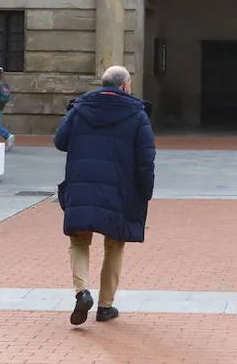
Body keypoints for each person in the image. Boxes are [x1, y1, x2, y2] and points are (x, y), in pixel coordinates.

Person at [54, 65, 155, 326]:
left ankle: (82, 291)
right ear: (124, 86)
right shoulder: (136, 113)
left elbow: (60, 141)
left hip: (81, 184)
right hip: (119, 189)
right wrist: (146, 190)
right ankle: (105, 306)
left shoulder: (80, 108)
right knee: (115, 243)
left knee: (78, 240)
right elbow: (146, 158)